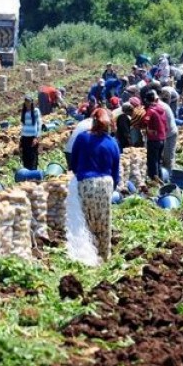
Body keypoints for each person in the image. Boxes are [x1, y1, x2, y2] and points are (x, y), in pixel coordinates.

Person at [70, 108, 120, 261]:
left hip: (86, 183)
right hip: (105, 183)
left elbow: (73, 163)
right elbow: (115, 171)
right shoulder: (112, 143)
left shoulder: (82, 138)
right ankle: (104, 256)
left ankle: (88, 256)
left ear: (93, 121)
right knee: (104, 220)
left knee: (87, 219)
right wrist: (113, 187)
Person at [142, 90, 167, 183]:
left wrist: (147, 129)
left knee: (153, 160)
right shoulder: (161, 109)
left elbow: (145, 121)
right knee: (159, 159)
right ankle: (161, 177)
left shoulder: (151, 111)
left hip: (154, 139)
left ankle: (154, 180)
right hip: (162, 137)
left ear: (147, 100)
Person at [19, 95, 42, 170]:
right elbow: (23, 125)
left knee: (33, 156)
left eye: (28, 101)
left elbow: (39, 123)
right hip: (25, 137)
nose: (27, 103)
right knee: (25, 156)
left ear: (31, 102)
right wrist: (21, 137)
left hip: (32, 137)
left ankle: (33, 173)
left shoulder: (35, 111)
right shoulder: (24, 111)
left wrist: (36, 137)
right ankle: (26, 172)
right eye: (26, 102)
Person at [158, 91, 178, 171]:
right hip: (162, 134)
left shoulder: (163, 107)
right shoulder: (159, 105)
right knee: (162, 156)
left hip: (170, 134)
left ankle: (169, 175)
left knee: (168, 158)